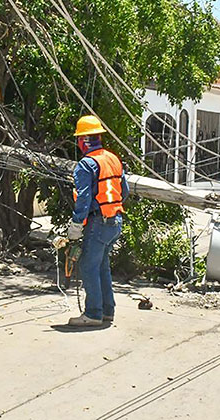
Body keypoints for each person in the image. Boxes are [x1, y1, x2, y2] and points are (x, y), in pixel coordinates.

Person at [66, 115, 130, 326]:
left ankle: (93, 314)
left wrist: (76, 225)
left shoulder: (86, 164)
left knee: (88, 266)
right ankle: (107, 311)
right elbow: (125, 191)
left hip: (98, 222)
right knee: (101, 265)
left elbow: (83, 198)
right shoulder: (112, 158)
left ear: (83, 140)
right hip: (115, 219)